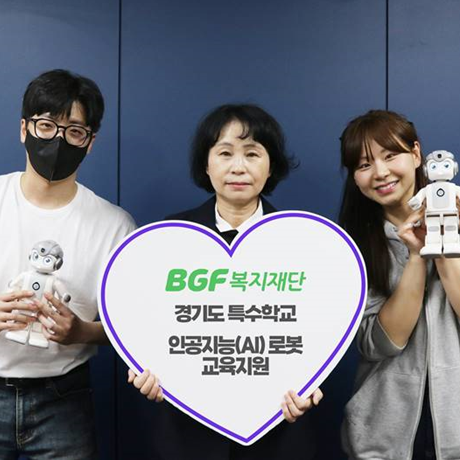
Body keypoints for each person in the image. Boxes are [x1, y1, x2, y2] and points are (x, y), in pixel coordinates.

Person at [130, 103, 323, 459]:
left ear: (271, 166)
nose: (238, 167)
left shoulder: (302, 241)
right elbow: (149, 323)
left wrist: (313, 379)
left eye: (252, 153)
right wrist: (144, 363)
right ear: (206, 164)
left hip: (280, 429)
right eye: (225, 153)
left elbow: (318, 329)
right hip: (188, 433)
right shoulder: (169, 238)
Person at [0, 69, 136, 459]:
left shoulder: (115, 225)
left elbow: (130, 327)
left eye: (74, 131)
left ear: (90, 143)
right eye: (46, 126)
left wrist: (80, 331)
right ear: (24, 129)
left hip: (64, 396)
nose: (57, 140)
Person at [339, 110, 460, 459]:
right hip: (381, 435)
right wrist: (416, 255)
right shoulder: (351, 248)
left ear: (417, 154)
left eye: (391, 155)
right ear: (355, 178)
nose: (380, 172)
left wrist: (443, 240)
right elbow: (380, 344)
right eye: (364, 165)